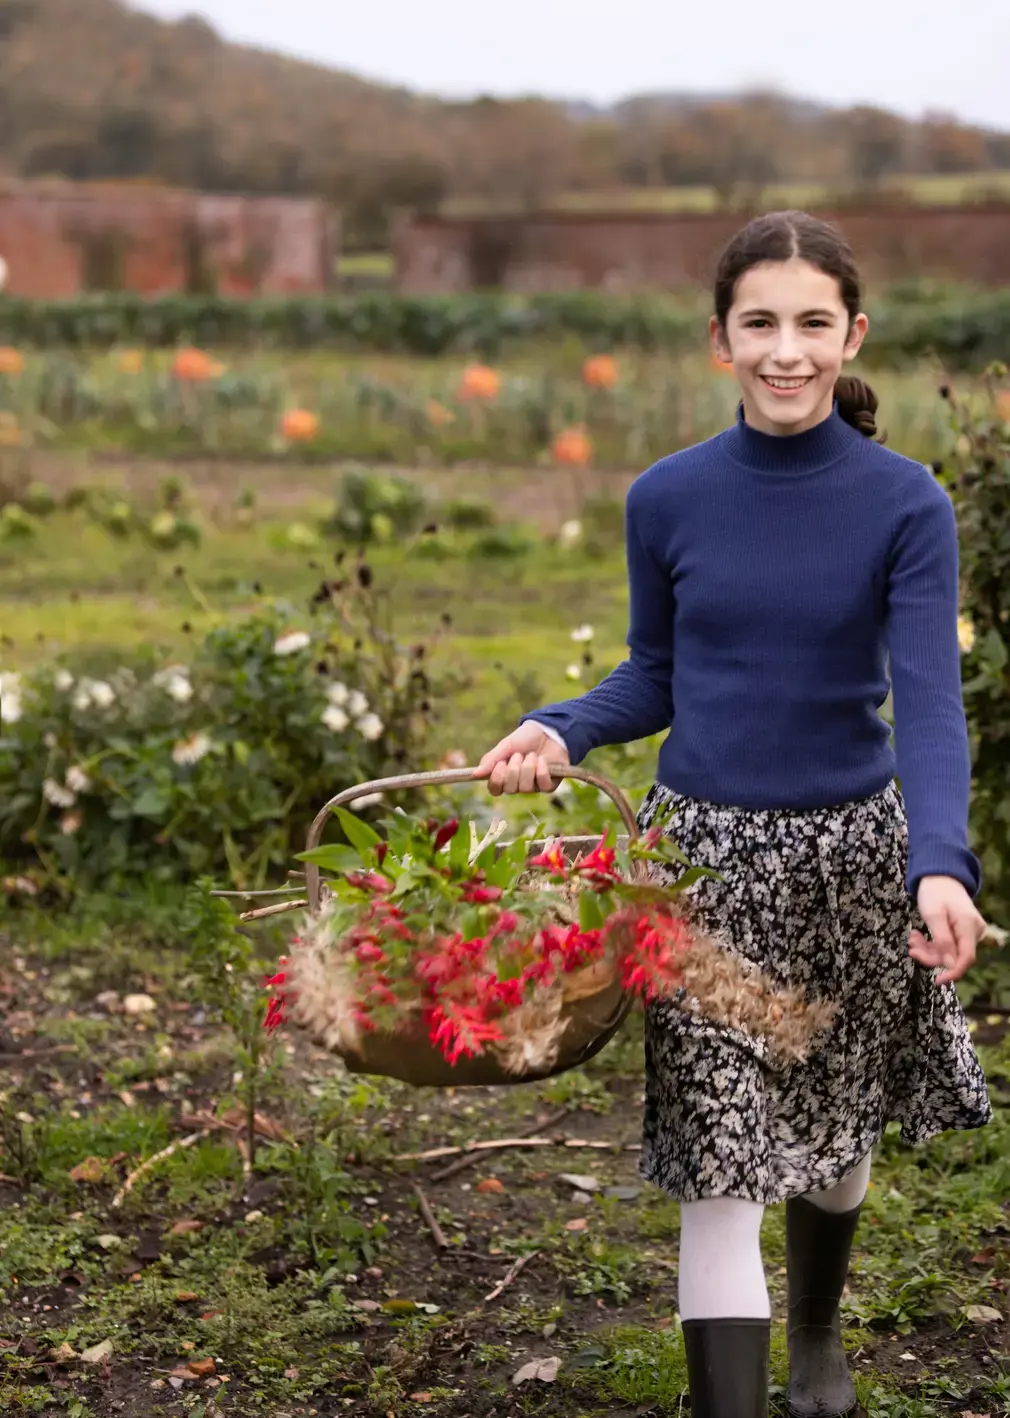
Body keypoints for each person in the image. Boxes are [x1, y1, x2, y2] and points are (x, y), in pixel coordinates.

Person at [476, 210, 993, 1418]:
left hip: (852, 866)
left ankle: (814, 1335)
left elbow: (926, 704)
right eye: (758, 322)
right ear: (718, 339)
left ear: (849, 332)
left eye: (812, 323)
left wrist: (941, 863)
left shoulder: (904, 505)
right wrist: (563, 723)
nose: (785, 350)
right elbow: (655, 670)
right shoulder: (666, 498)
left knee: (832, 1126)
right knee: (719, 1163)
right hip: (696, 870)